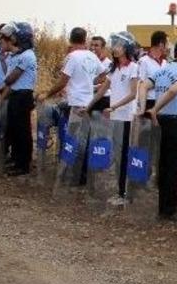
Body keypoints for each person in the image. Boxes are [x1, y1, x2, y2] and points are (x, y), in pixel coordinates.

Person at [37, 27, 107, 183]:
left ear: (71, 39)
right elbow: (103, 75)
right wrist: (89, 83)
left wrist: (46, 94)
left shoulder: (72, 57)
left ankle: (76, 176)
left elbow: (63, 81)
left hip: (75, 104)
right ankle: (82, 175)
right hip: (89, 103)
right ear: (85, 39)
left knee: (74, 140)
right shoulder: (92, 56)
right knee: (84, 139)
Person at [141, 38, 177, 220]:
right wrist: (154, 109)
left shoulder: (163, 70)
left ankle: (164, 206)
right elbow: (174, 90)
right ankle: (169, 209)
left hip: (160, 123)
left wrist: (143, 108)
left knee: (164, 165)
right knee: (175, 166)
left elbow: (143, 85)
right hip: (174, 123)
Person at [88, 32, 140, 203]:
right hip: (116, 117)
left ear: (127, 48)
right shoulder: (114, 69)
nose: (114, 48)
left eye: (118, 45)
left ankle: (124, 193)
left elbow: (133, 94)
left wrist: (114, 106)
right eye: (114, 44)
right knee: (117, 153)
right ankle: (120, 190)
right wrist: (88, 106)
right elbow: (103, 89)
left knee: (124, 154)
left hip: (126, 118)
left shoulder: (133, 67)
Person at [0, 22, 37, 176]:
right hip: (15, 95)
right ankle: (16, 159)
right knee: (13, 130)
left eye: (7, 38)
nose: (3, 41)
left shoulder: (27, 56)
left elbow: (11, 78)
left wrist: (2, 86)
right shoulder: (16, 55)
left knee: (23, 131)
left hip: (23, 96)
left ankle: (23, 165)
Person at [138, 30, 168, 110]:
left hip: (163, 102)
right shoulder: (143, 61)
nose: (168, 47)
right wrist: (141, 107)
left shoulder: (165, 62)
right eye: (167, 43)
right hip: (149, 102)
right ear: (161, 44)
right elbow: (140, 84)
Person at [90, 35, 112, 112]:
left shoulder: (109, 64)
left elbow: (106, 84)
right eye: (91, 45)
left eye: (96, 45)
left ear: (103, 48)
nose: (93, 48)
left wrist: (93, 86)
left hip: (103, 97)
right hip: (89, 95)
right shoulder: (87, 62)